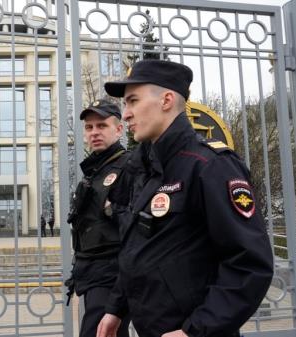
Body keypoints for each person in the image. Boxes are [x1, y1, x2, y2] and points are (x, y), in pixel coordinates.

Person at [96, 60, 274, 337]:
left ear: (166, 100)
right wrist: (115, 308)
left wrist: (197, 330)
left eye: (132, 101)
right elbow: (137, 248)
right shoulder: (142, 167)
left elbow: (249, 263)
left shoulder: (210, 166)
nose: (126, 114)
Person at [65, 99, 131, 337]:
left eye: (101, 126)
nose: (94, 133)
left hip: (113, 274)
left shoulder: (129, 166)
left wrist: (115, 210)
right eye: (89, 127)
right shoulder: (95, 170)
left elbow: (137, 224)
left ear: (119, 129)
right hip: (92, 273)